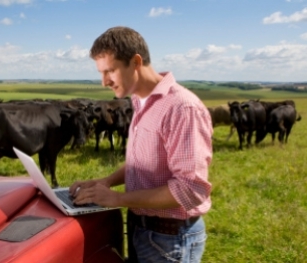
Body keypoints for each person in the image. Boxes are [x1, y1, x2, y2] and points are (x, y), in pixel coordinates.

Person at [69, 26, 213, 263]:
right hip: (143, 229)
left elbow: (190, 190)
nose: (104, 81)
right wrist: (105, 182)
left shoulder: (182, 108)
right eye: (101, 73)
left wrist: (116, 199)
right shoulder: (140, 101)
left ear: (135, 62)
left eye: (110, 71)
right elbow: (141, 163)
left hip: (170, 239)